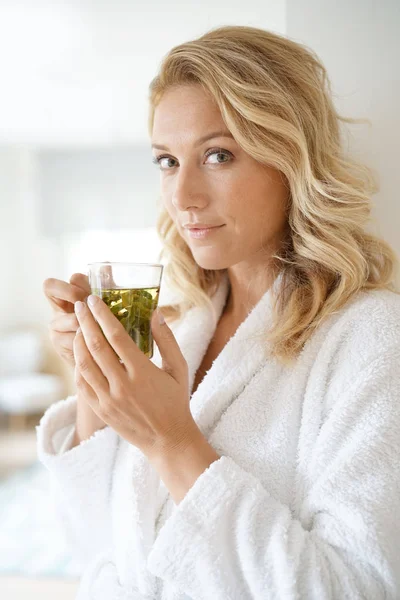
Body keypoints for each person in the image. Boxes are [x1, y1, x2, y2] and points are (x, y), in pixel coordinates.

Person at [37, 25, 400, 600]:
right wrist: (95, 384)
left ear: (291, 157)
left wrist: (173, 441)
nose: (182, 196)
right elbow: (93, 545)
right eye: (166, 160)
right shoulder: (178, 326)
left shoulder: (371, 341)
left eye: (217, 154)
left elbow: (355, 588)